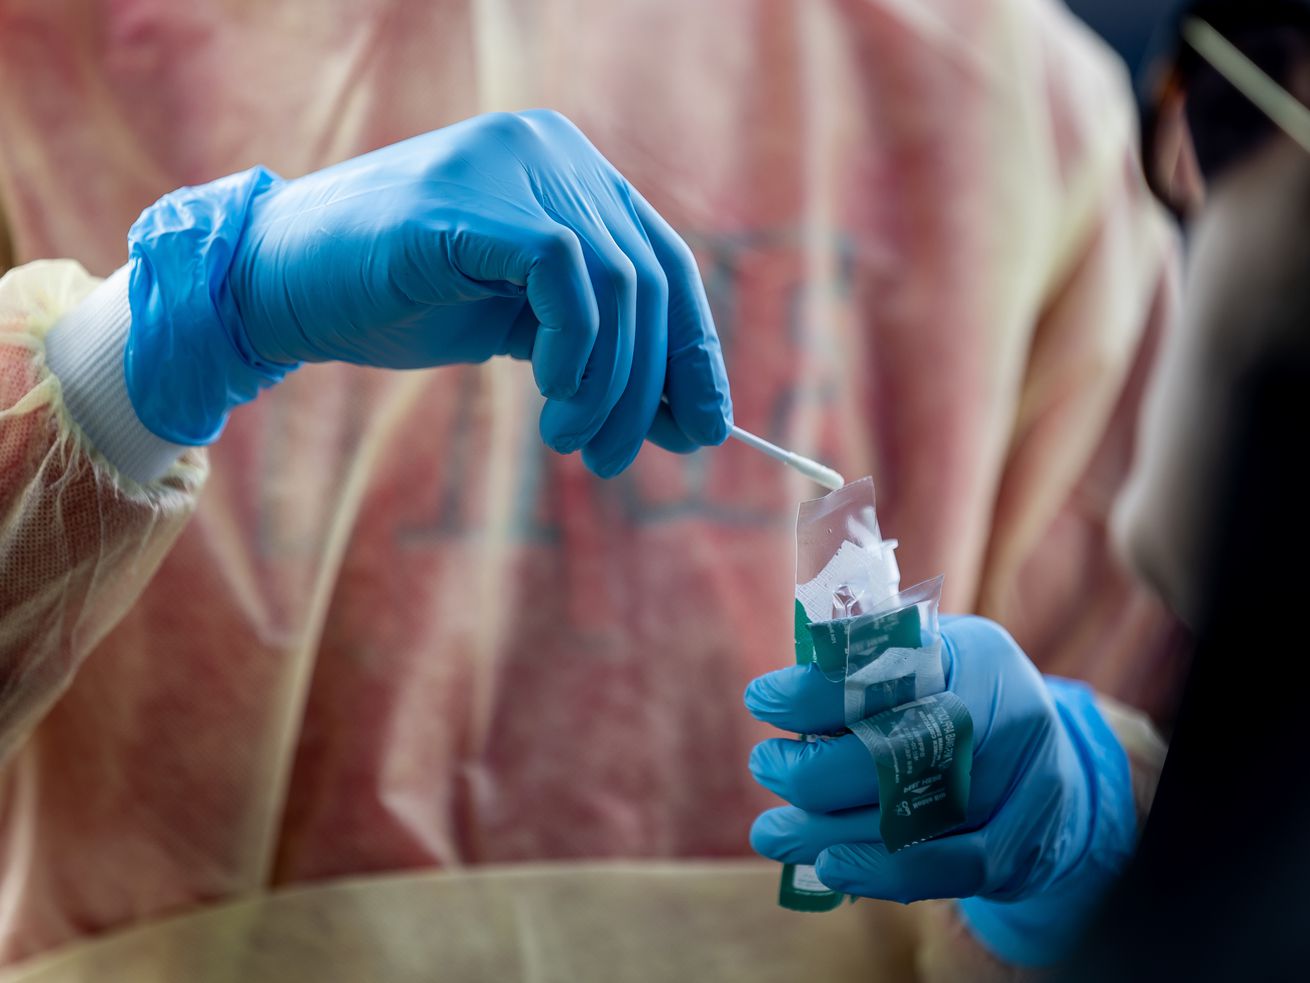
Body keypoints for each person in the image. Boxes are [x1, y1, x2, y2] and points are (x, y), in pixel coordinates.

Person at [0, 1, 1180, 979]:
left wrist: (1079, 828)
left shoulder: (999, 98)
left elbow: (1206, 784)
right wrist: (155, 339)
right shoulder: (41, 58)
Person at [744, 0, 1310, 976]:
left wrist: (1090, 824)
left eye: (1230, 110)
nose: (1183, 167)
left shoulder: (1034, 106)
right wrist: (1098, 830)